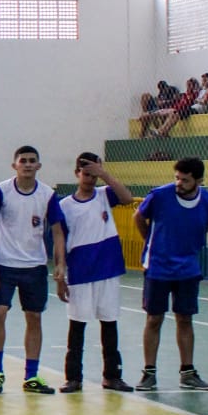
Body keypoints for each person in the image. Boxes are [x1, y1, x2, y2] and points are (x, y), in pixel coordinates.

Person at [0, 145, 65, 394]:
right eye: (23, 160)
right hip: (5, 265)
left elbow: (58, 231)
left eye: (32, 161)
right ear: (14, 165)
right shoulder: (1, 191)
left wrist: (60, 263)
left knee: (34, 317)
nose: (27, 164)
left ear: (38, 166)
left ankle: (31, 376)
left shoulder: (47, 194)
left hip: (35, 266)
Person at [135, 157, 208, 391]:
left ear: (199, 181)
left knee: (185, 318)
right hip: (158, 267)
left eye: (185, 180)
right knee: (154, 318)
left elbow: (206, 224)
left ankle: (188, 372)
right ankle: (149, 373)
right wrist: (151, 244)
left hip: (188, 270)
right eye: (177, 178)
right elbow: (138, 216)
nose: (179, 183)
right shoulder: (160, 195)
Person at [55, 153, 135, 393]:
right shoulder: (65, 206)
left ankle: (112, 376)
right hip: (80, 272)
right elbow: (60, 240)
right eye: (86, 173)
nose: (90, 178)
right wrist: (60, 275)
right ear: (77, 173)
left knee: (109, 323)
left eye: (94, 173)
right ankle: (73, 377)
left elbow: (127, 198)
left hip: (108, 270)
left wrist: (105, 175)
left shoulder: (104, 195)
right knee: (77, 326)